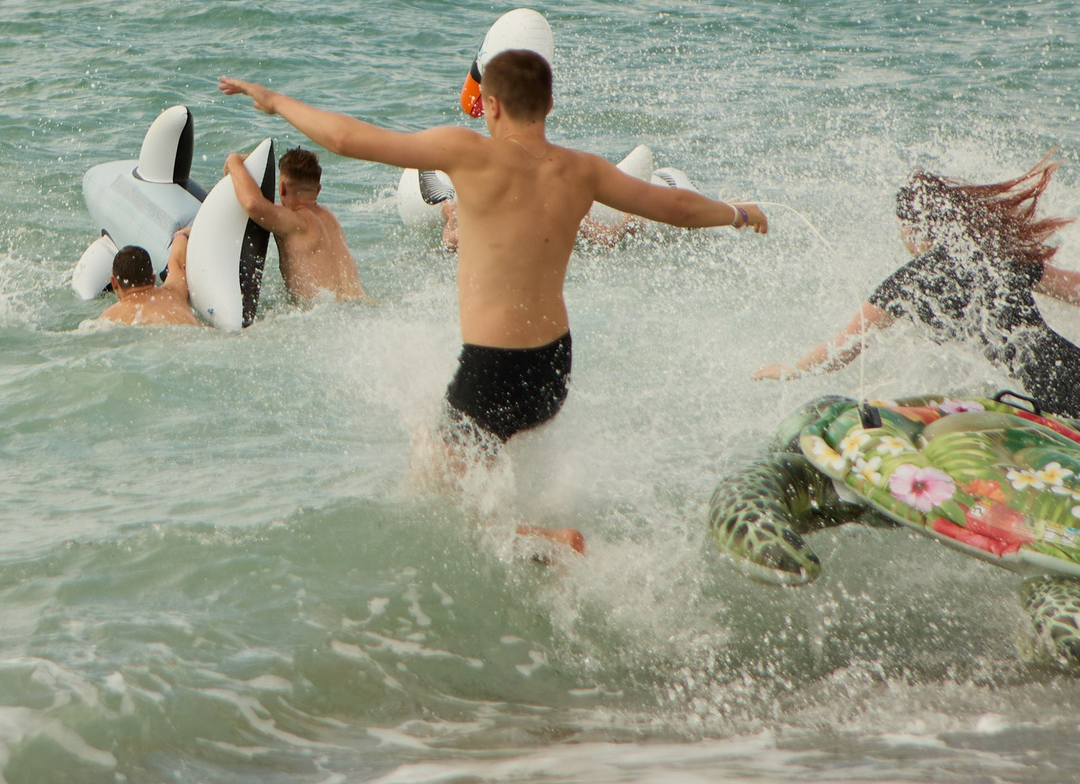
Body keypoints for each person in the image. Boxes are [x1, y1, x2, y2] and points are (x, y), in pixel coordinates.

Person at [218, 55, 765, 541]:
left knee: (434, 500)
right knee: (447, 469)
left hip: (493, 369)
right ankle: (543, 579)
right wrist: (738, 212)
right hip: (554, 366)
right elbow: (679, 209)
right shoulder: (585, 170)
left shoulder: (468, 154)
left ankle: (550, 545)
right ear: (549, 103)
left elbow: (346, 139)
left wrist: (274, 100)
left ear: (491, 106)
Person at [756, 161, 1080, 418]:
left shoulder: (907, 283)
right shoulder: (994, 256)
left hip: (1042, 401)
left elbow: (841, 350)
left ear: (911, 228)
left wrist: (790, 369)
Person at [223, 147, 365, 303]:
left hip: (323, 312)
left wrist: (233, 160)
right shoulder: (330, 217)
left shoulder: (295, 222)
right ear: (318, 190)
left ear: (282, 188)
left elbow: (252, 204)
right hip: (360, 305)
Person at [101, 235, 200, 327]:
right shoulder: (173, 293)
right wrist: (181, 234)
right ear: (153, 279)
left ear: (114, 283)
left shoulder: (110, 317)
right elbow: (178, 263)